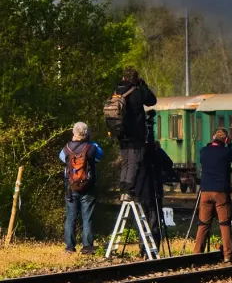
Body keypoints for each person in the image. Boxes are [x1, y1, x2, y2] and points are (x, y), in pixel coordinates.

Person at [194, 128, 232, 262]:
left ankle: (197, 254)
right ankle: (228, 255)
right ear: (226, 140)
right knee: (224, 224)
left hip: (205, 192)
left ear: (213, 137)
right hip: (221, 193)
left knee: (203, 224)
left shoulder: (203, 152)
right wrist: (230, 145)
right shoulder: (226, 152)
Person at [112, 67, 157, 201]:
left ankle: (123, 187)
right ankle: (129, 190)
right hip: (135, 132)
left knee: (125, 160)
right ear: (135, 78)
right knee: (134, 161)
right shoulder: (137, 92)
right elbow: (152, 100)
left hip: (120, 131)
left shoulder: (116, 91)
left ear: (123, 78)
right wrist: (143, 85)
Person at [61, 122, 103, 254]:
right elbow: (100, 156)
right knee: (87, 217)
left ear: (74, 133)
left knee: (70, 217)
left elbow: (62, 159)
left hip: (71, 187)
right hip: (88, 187)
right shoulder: (92, 148)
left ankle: (69, 247)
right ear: (86, 133)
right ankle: (87, 247)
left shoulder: (66, 149)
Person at [135, 137, 173, 250]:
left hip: (142, 192)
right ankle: (153, 247)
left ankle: (143, 247)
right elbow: (168, 164)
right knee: (154, 221)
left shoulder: (139, 153)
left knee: (143, 220)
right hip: (154, 192)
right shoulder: (157, 153)